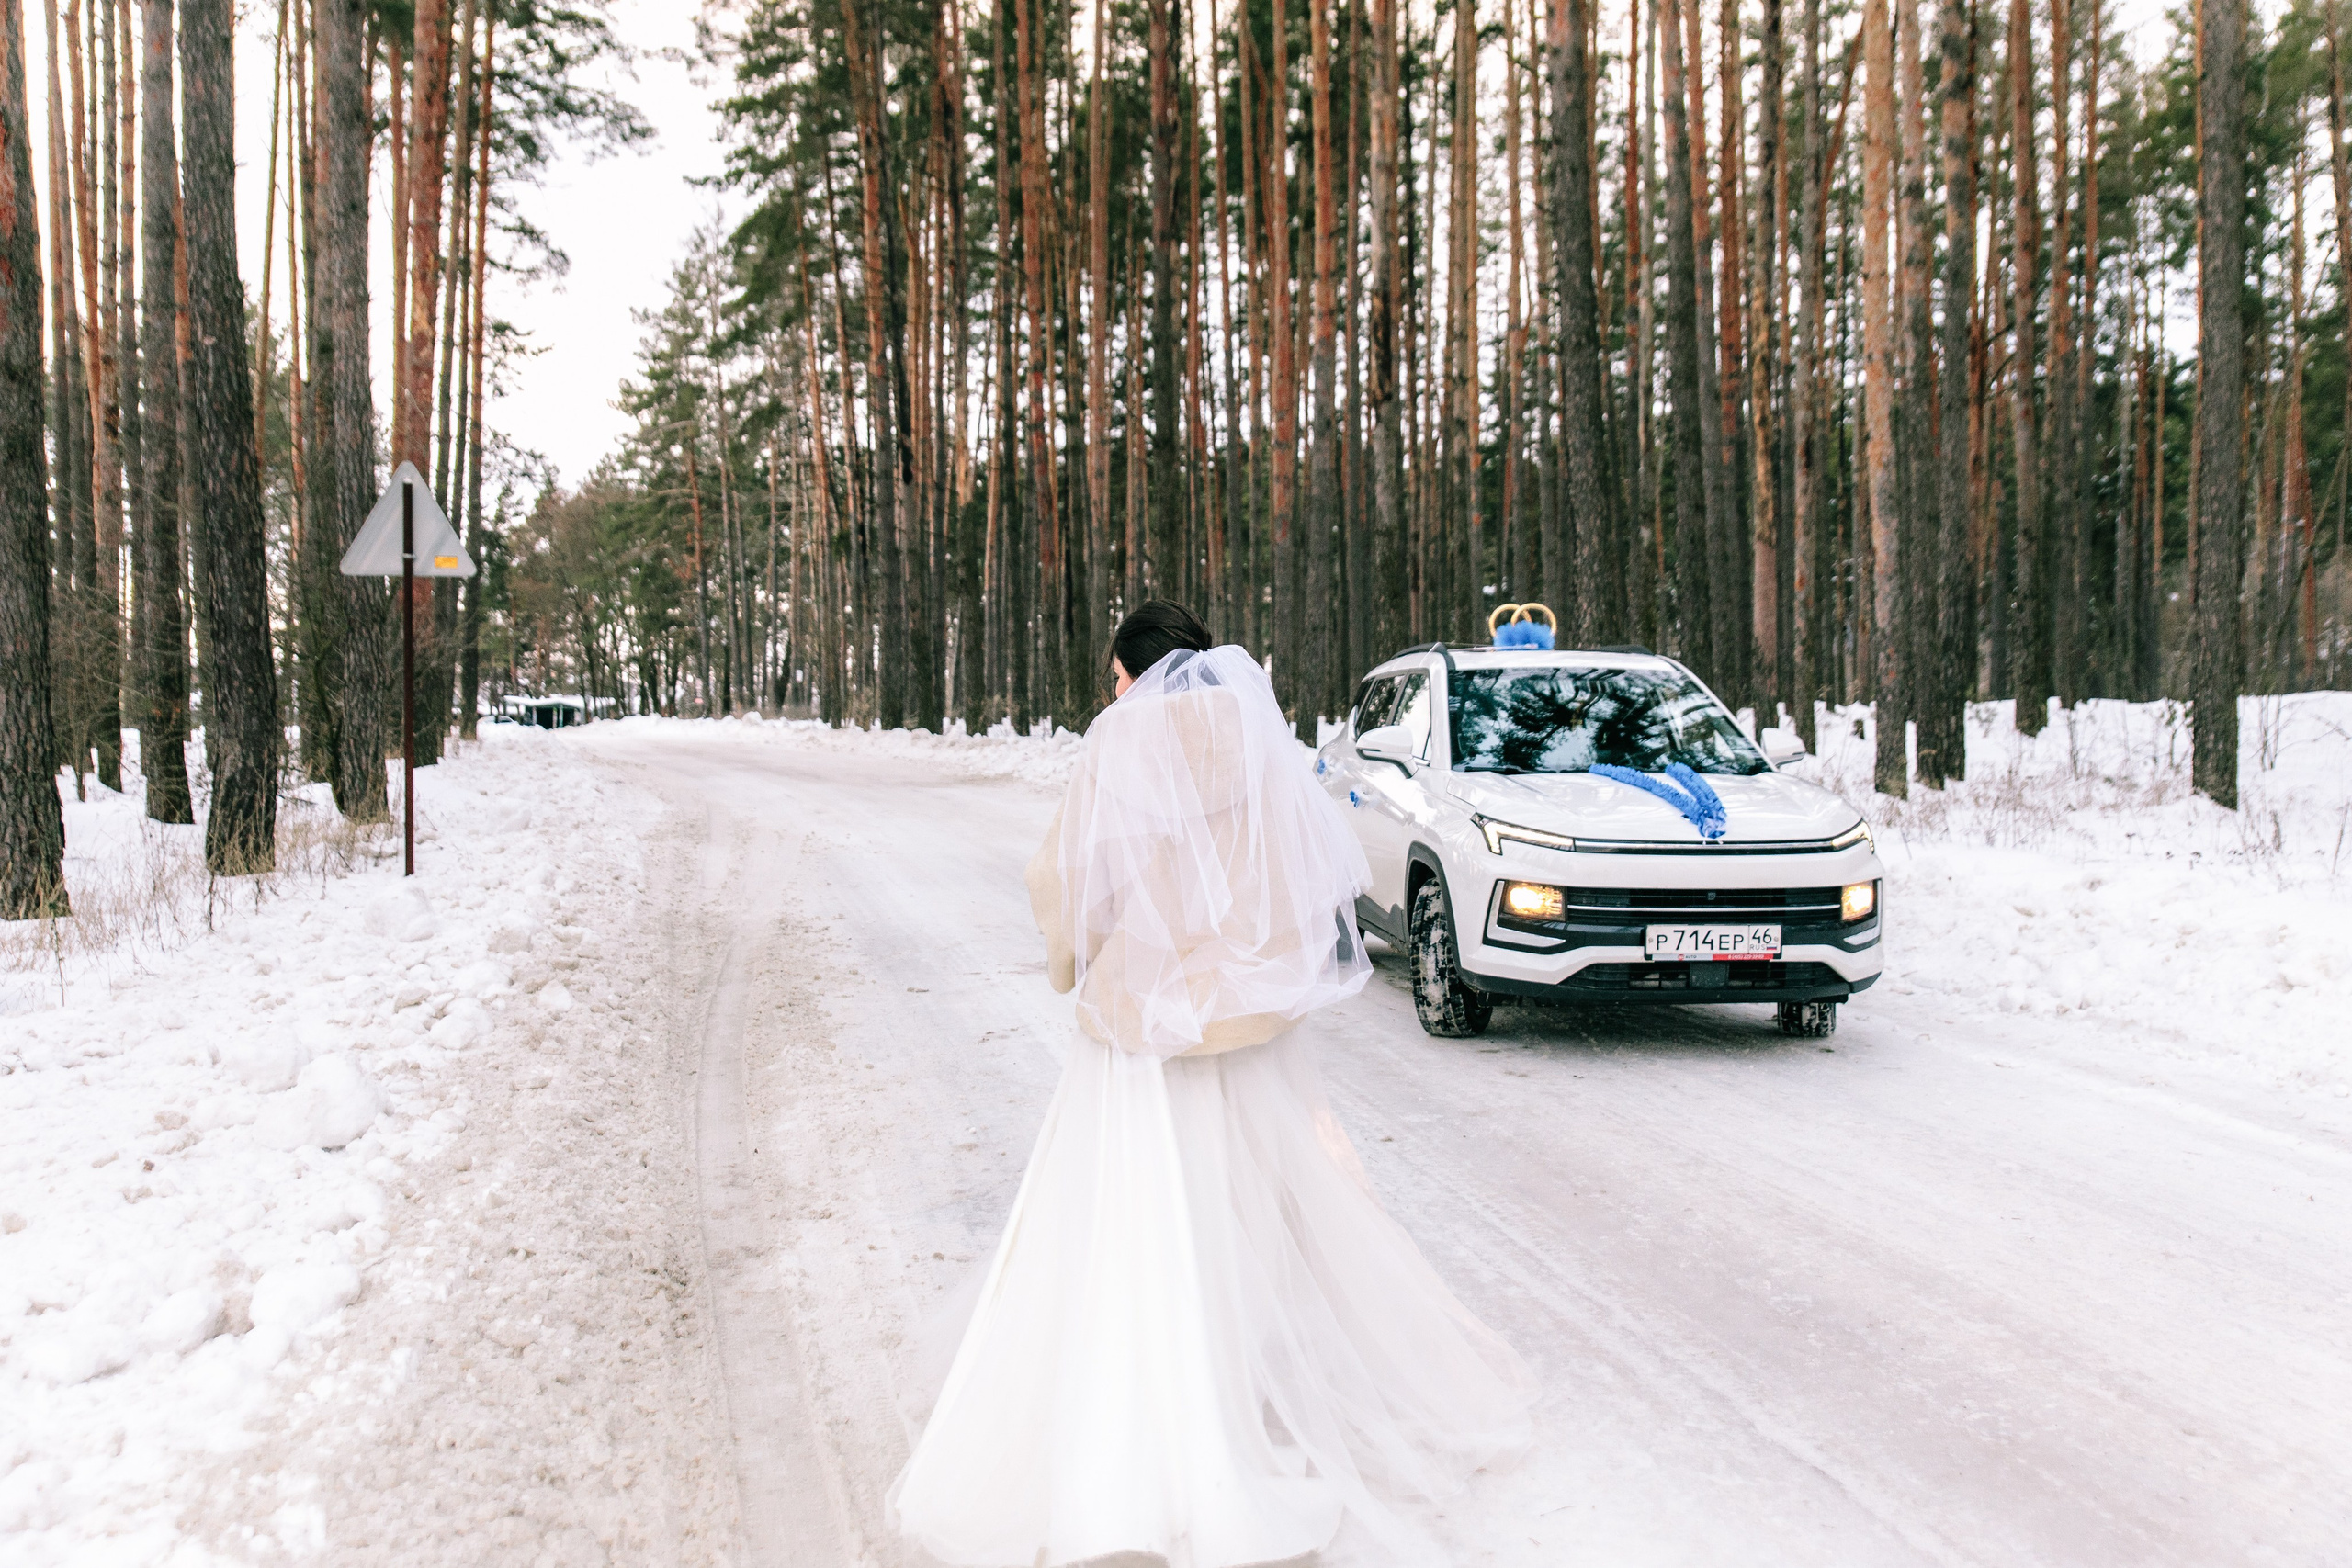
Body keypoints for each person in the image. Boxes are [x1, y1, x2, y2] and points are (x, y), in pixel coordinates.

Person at [888, 601, 1533, 1568]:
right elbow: (1311, 869)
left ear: (1136, 674)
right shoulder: (1255, 734)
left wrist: (1074, 954)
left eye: (1116, 678)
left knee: (1136, 1218)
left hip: (1145, 1027)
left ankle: (1149, 1416)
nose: (1117, 696)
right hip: (1245, 1022)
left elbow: (1076, 878)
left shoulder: (1122, 742)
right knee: (1246, 1208)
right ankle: (1245, 1390)